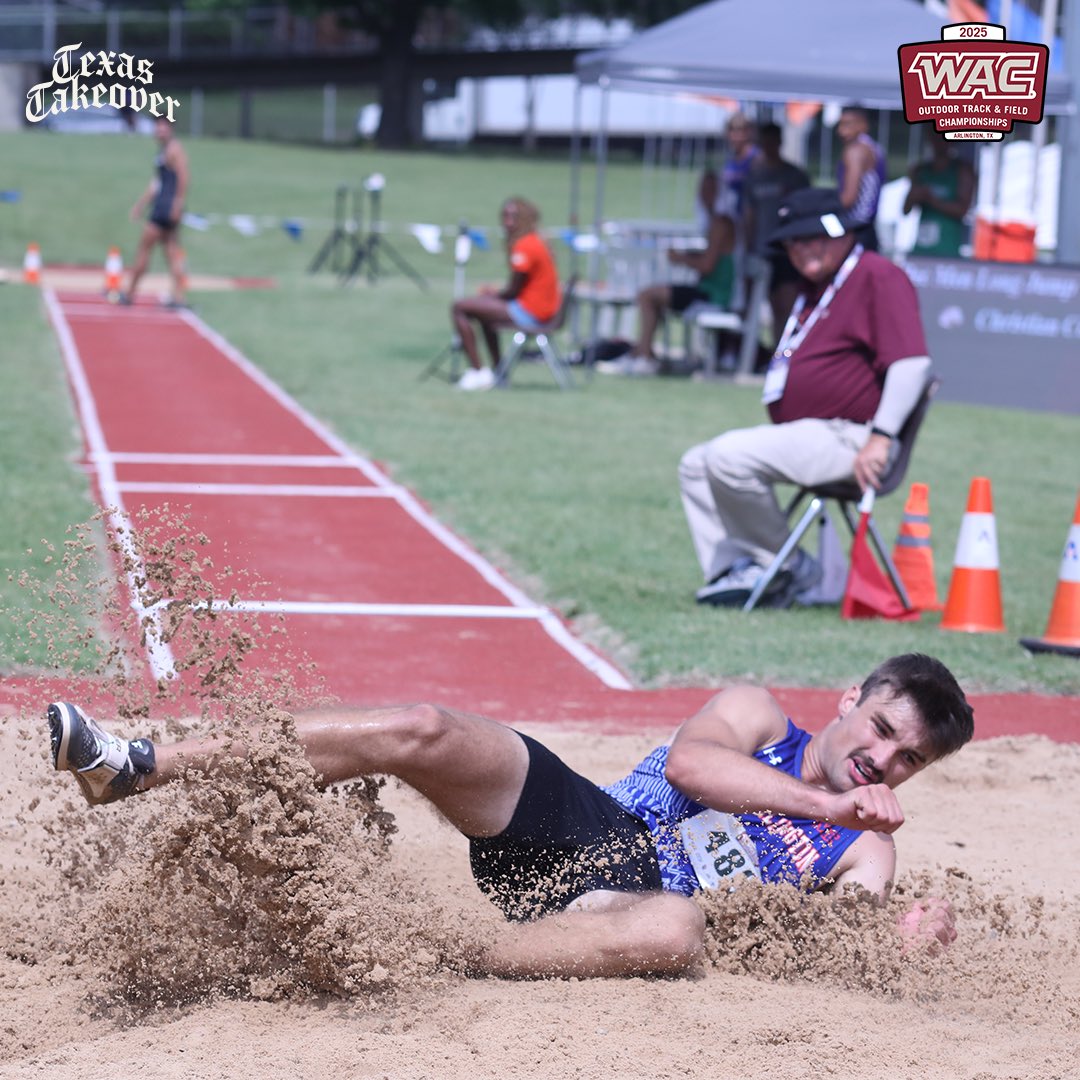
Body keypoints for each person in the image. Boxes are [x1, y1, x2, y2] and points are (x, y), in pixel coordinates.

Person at [46, 651, 971, 978]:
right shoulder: (760, 712)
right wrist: (824, 800)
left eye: (907, 760)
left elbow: (844, 942)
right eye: (884, 729)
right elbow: (693, 762)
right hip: (585, 830)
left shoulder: (866, 851)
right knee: (422, 724)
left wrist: (899, 941)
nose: (883, 759)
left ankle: (421, 953)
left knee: (680, 929)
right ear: (855, 696)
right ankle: (133, 765)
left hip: (625, 917)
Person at [681, 186, 932, 609]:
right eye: (793, 243)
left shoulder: (875, 275)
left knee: (727, 456)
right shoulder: (818, 284)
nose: (800, 251)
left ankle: (790, 567)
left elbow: (912, 365)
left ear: (841, 235)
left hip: (852, 438)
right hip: (811, 432)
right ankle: (738, 570)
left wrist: (882, 436)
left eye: (812, 239)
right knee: (694, 463)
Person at [596, 170, 736, 377]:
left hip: (713, 294)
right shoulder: (713, 221)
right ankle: (643, 352)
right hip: (707, 289)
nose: (705, 195)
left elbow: (707, 265)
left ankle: (644, 356)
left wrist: (681, 258)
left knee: (647, 295)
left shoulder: (720, 223)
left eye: (711, 190)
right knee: (651, 296)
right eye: (703, 189)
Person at [449, 197, 560, 392]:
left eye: (514, 217)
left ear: (525, 219)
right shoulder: (534, 241)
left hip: (533, 311)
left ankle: (477, 371)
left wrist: (492, 297)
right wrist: (492, 297)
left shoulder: (525, 245)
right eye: (505, 216)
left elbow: (512, 291)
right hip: (538, 309)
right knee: (483, 312)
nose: (508, 222)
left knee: (459, 307)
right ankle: (498, 373)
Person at [741, 122, 811, 348]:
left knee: (789, 305)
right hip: (763, 250)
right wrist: (749, 246)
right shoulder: (754, 177)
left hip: (788, 251)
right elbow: (749, 215)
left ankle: (790, 351)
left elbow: (804, 214)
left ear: (780, 142)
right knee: (773, 307)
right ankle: (777, 352)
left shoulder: (794, 176)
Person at [121, 116, 189, 308]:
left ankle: (129, 293)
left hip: (165, 208)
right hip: (162, 205)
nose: (159, 131)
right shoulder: (163, 151)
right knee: (171, 252)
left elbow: (184, 176)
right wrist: (141, 204)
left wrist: (177, 203)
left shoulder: (175, 149)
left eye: (163, 127)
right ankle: (179, 297)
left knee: (145, 248)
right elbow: (156, 184)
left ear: (170, 129)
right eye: (156, 127)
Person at [903, 131, 976, 258]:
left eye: (943, 137)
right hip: (921, 247)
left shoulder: (962, 171)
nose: (939, 141)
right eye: (935, 136)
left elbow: (962, 210)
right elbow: (905, 210)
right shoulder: (920, 170)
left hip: (947, 249)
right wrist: (914, 196)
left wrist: (931, 199)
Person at [836, 105, 887, 252]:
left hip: (854, 230)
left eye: (847, 124)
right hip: (868, 229)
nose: (841, 131)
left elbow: (848, 198)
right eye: (840, 124)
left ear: (863, 125)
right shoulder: (875, 148)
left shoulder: (855, 151)